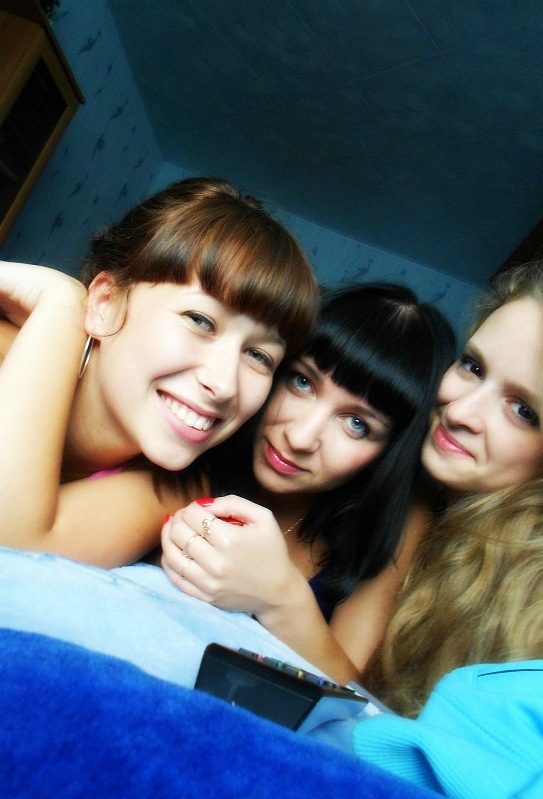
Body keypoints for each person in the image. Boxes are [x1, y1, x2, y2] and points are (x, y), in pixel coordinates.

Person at [0, 176, 318, 566]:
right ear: (104, 304)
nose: (223, 384)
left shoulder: (177, 487)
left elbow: (15, 549)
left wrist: (59, 301)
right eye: (200, 320)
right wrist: (65, 305)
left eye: (258, 356)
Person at [161, 283, 456, 684]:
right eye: (302, 382)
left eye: (357, 424)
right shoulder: (193, 446)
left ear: (388, 453)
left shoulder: (396, 520)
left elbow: (357, 701)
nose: (300, 438)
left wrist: (281, 597)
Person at [364, 260, 543, 716]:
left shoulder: (526, 599)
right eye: (473, 366)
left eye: (523, 410)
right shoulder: (417, 494)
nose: (460, 411)